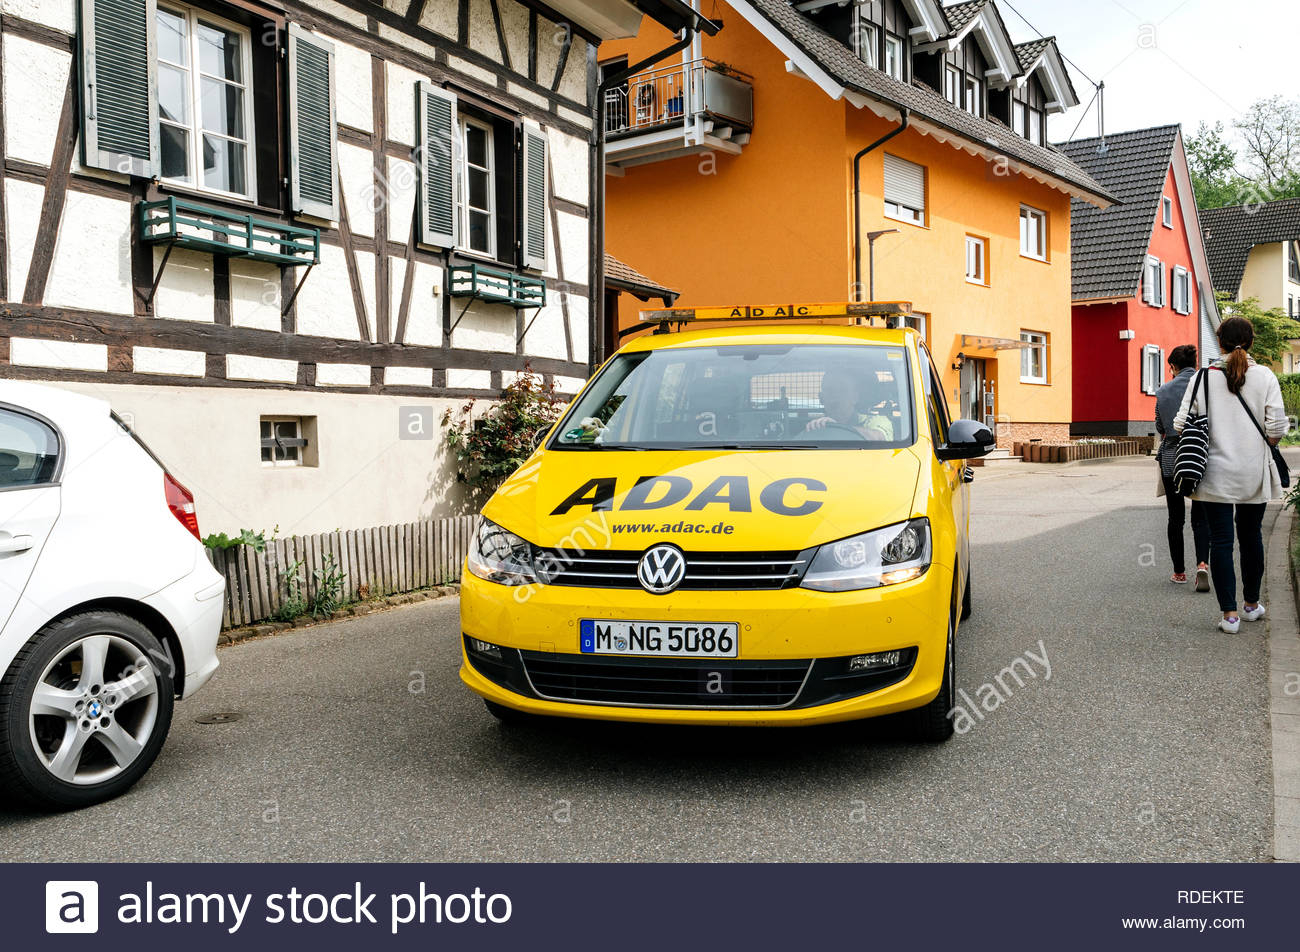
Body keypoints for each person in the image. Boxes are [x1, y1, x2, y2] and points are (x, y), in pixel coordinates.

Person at [1173, 318, 1288, 633]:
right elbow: (1277, 428)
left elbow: (1180, 425)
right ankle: (1252, 605)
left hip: (1213, 474)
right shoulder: (1265, 376)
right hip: (1253, 473)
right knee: (1251, 537)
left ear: (1219, 342)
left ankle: (1230, 616)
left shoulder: (1202, 378)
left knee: (1221, 541)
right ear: (1251, 342)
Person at [1154, 344, 1209, 588]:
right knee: (1201, 515)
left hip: (1171, 457)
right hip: (1199, 455)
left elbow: (1159, 426)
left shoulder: (1163, 391)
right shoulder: (1206, 386)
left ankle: (1179, 572)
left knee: (1175, 517)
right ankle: (1202, 565)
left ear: (1173, 367)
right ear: (1194, 365)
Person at [805, 370, 893, 441]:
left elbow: (878, 438)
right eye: (829, 390)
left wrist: (839, 428)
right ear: (821, 398)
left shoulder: (877, 420)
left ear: (855, 397)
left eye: (842, 390)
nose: (836, 396)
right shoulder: (814, 427)